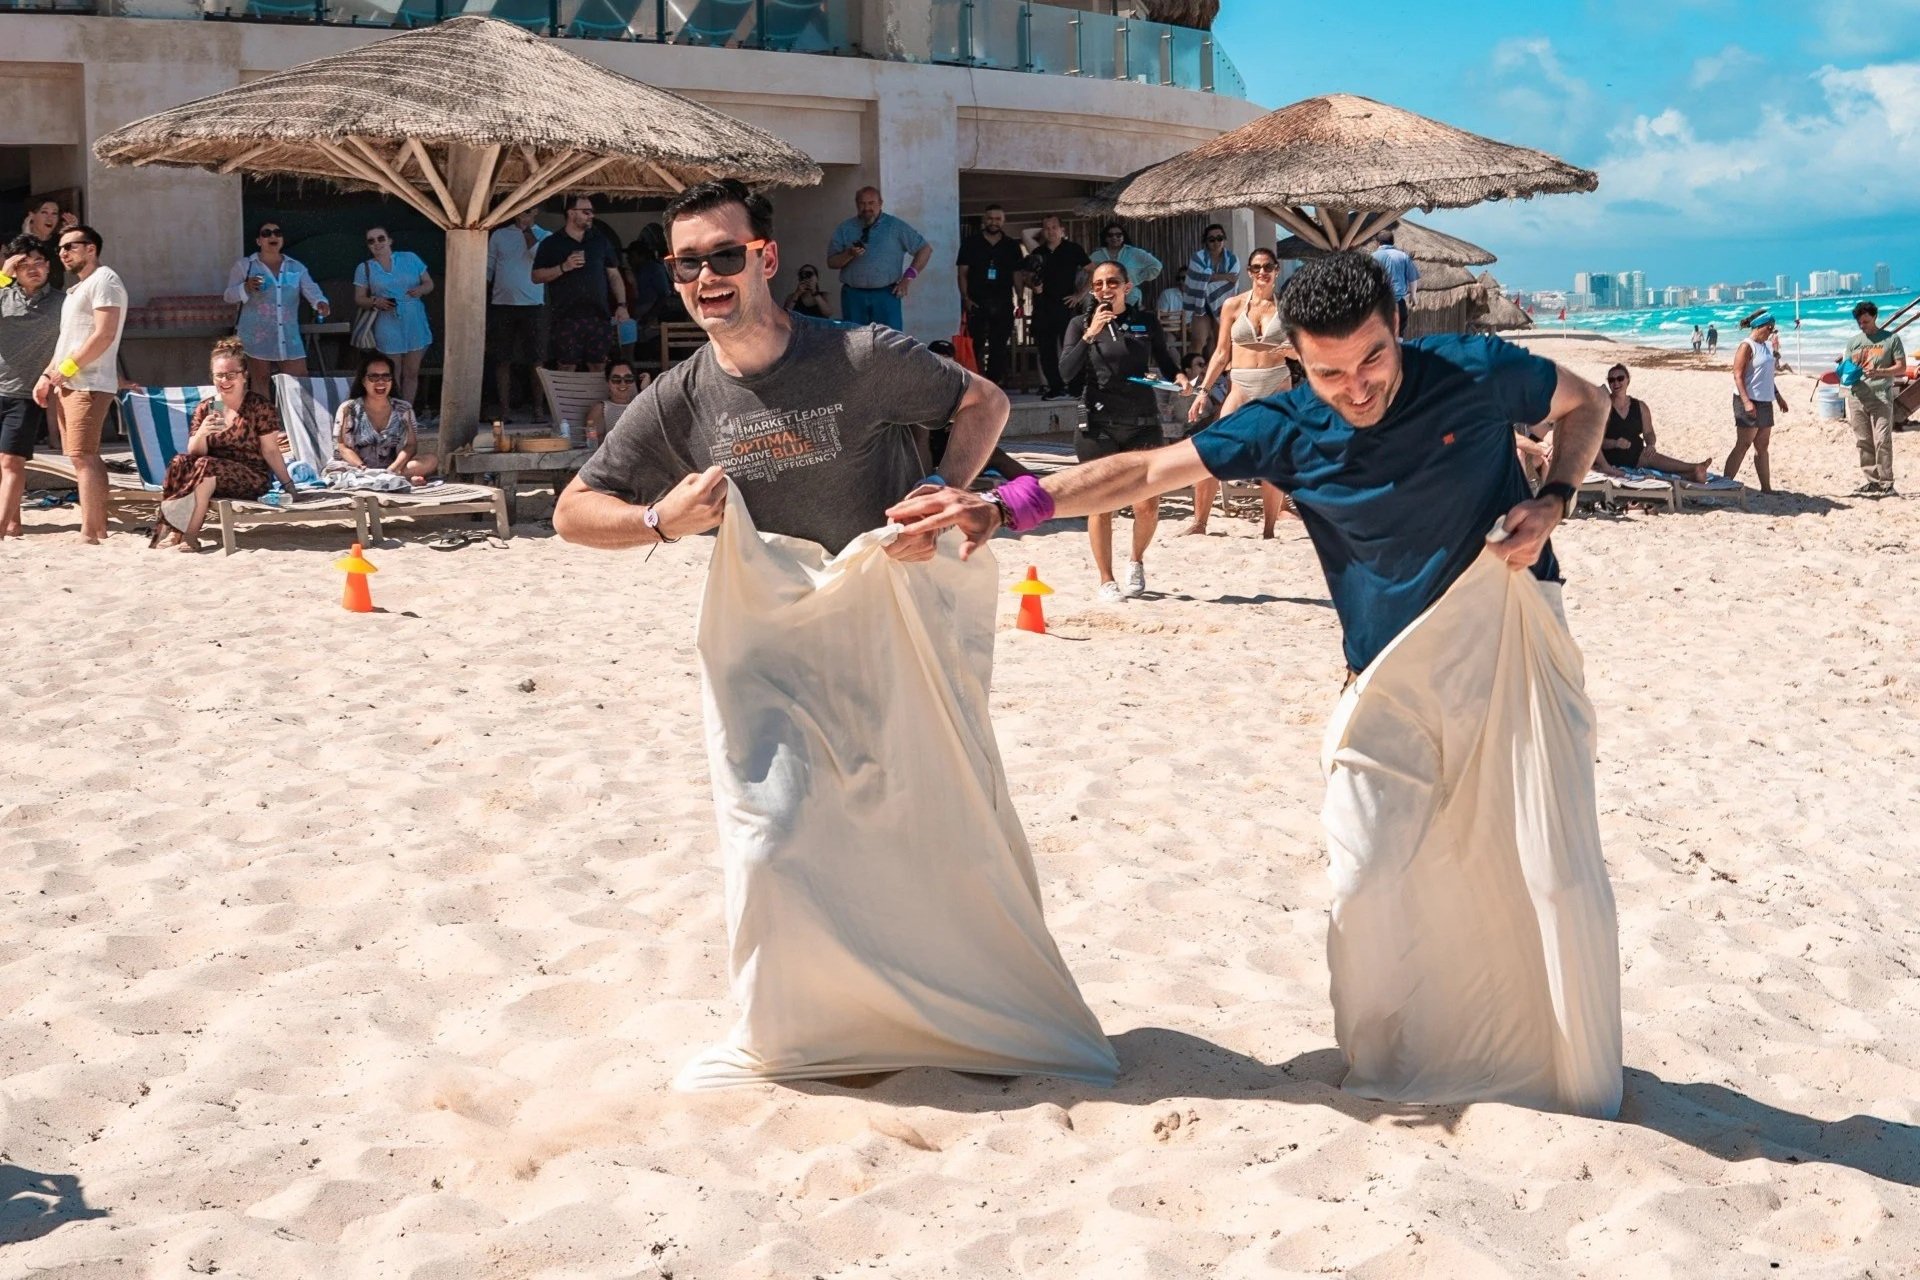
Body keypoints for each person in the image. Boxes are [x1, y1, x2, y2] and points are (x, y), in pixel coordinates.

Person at [889, 251, 1623, 1119]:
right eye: (1329, 371)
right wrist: (1007, 506)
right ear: (1295, 361)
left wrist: (1557, 497)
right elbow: (1144, 472)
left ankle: (1556, 1067)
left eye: (1374, 359)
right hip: (1383, 679)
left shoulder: (1476, 371)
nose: (1357, 387)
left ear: (1399, 328)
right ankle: (1401, 1059)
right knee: (1368, 883)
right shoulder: (1282, 427)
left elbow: (1588, 403)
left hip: (1507, 648)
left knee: (1546, 870)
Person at [555, 179, 1112, 1089]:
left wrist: (944, 484)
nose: (708, 277)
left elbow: (983, 403)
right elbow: (575, 512)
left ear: (764, 259)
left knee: (932, 824)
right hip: (770, 648)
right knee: (774, 841)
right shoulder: (680, 397)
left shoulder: (858, 355)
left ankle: (945, 1016)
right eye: (689, 264)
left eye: (725, 256)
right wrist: (658, 520)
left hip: (893, 623)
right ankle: (808, 1032)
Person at [1058, 259, 1187, 602]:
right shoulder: (1079, 324)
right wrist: (1090, 334)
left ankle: (1136, 560)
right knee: (1101, 504)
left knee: (1147, 504)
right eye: (1097, 284)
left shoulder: (1144, 322)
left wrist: (1179, 376)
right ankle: (1106, 579)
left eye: (1111, 283)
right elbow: (1066, 373)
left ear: (1127, 288)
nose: (1104, 290)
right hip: (1097, 423)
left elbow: (1165, 358)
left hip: (1142, 420)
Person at [149, 337, 300, 552]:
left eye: (231, 374)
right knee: (180, 461)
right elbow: (195, 453)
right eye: (219, 375)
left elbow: (270, 449)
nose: (225, 380)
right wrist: (202, 433)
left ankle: (190, 535)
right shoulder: (209, 407)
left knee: (206, 465)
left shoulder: (259, 407)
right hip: (210, 473)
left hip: (251, 477)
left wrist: (288, 485)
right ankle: (175, 531)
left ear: (244, 375)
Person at [1184, 246, 1295, 537]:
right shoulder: (1233, 305)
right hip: (1241, 384)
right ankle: (1199, 522)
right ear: (1248, 272)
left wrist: (1292, 351)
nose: (1262, 272)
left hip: (1276, 385)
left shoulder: (1289, 306)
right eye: (1257, 267)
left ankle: (1269, 528)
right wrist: (1203, 391)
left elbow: (1307, 350)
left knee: (1273, 457)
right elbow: (1221, 353)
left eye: (1268, 267)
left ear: (1277, 269)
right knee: (1210, 449)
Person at [34, 224, 125, 544]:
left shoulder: (106, 280)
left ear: (91, 249)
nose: (63, 253)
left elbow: (105, 333)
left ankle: (90, 531)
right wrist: (48, 375)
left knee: (83, 456)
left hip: (89, 382)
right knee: (83, 457)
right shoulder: (79, 289)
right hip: (71, 382)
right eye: (60, 248)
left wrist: (67, 369)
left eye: (71, 246)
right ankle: (97, 527)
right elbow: (67, 340)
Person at [0, 237, 63, 537]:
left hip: (26, 392)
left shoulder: (63, 303)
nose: (33, 269)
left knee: (11, 460)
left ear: (49, 266)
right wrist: (3, 274)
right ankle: (13, 523)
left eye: (39, 262)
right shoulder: (3, 295)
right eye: (24, 265)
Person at [225, 220, 331, 395]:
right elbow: (228, 296)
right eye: (266, 233)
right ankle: (266, 421)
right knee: (260, 380)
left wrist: (320, 303)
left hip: (288, 336)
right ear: (259, 241)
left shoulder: (296, 267)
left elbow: (312, 290)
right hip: (256, 335)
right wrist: (246, 287)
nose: (272, 236)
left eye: (277, 233)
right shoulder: (245, 265)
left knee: (299, 381)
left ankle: (296, 420)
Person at [532, 195, 628, 373]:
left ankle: (596, 402)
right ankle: (567, 402)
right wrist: (563, 267)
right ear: (571, 213)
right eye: (586, 212)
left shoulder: (600, 241)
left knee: (599, 365)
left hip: (599, 315)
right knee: (566, 365)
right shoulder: (551, 243)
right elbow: (536, 276)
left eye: (592, 212)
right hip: (565, 316)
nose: (591, 216)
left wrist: (622, 305)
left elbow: (614, 275)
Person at [825, 185, 931, 330]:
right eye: (862, 203)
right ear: (856, 204)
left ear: (880, 203)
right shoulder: (845, 228)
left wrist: (907, 278)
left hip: (886, 295)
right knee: (855, 343)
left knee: (889, 343)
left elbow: (924, 249)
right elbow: (831, 262)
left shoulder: (895, 226)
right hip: (854, 296)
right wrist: (849, 254)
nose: (866, 207)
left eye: (871, 203)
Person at [355, 225, 433, 406]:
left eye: (381, 238)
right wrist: (375, 302)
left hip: (414, 319)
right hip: (386, 320)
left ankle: (407, 412)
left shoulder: (410, 258)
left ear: (389, 240)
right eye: (371, 241)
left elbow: (429, 283)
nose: (377, 243)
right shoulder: (365, 268)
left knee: (412, 371)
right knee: (392, 371)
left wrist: (421, 289)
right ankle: (393, 413)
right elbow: (359, 298)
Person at [334, 352, 438, 484]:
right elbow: (343, 447)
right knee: (341, 473)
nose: (381, 381)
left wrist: (392, 469)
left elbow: (410, 446)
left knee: (431, 460)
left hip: (391, 468)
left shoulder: (403, 409)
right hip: (355, 468)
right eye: (374, 377)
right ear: (363, 381)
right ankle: (389, 480)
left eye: (386, 376)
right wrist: (363, 469)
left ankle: (388, 478)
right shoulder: (349, 409)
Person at [486, 209, 549, 421]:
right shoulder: (499, 235)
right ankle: (504, 411)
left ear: (536, 213)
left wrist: (528, 231)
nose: (524, 215)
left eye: (529, 212)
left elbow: (537, 256)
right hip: (502, 304)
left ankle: (538, 410)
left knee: (537, 359)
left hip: (533, 305)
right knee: (503, 359)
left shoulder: (545, 235)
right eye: (521, 212)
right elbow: (489, 267)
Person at [1596, 364, 1708, 481]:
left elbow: (1649, 432)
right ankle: (1695, 468)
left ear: (1628, 380)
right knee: (1652, 461)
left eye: (1620, 378)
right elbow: (1596, 442)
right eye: (1611, 380)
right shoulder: (1604, 407)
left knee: (1652, 456)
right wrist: (1615, 443)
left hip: (1637, 454)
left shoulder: (1640, 406)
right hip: (1612, 456)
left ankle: (1693, 471)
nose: (1616, 383)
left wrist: (1651, 444)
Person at [955, 204, 1026, 387]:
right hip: (977, 301)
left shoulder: (1011, 246)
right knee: (975, 344)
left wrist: (1020, 297)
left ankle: (994, 385)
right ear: (984, 220)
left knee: (999, 345)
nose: (993, 222)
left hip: (1003, 301)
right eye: (990, 218)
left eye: (998, 219)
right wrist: (965, 298)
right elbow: (962, 273)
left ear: (1003, 221)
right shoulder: (971, 243)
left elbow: (1017, 273)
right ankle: (973, 385)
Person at [1843, 299, 1906, 498]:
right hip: (1857, 396)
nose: (1863, 326)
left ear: (1875, 317)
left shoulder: (1891, 339)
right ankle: (1872, 481)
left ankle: (1887, 482)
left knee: (1883, 440)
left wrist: (1880, 371)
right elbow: (1846, 369)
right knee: (1863, 441)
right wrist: (1848, 371)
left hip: (1881, 396)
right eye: (1860, 323)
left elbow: (1901, 367)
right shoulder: (1854, 342)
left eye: (1866, 322)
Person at [1024, 215, 1090, 401]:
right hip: (1043, 307)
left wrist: (1080, 295)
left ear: (1062, 230)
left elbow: (1093, 270)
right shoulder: (1037, 252)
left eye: (1054, 227)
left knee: (1072, 348)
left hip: (1066, 305)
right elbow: (1026, 276)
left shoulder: (1073, 249)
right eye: (1046, 228)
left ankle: (1077, 388)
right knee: (1046, 350)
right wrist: (1032, 285)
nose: (1050, 231)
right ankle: (1055, 387)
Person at [1725, 312, 1788, 492]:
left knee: (1762, 445)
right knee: (1743, 444)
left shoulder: (1767, 346)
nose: (1771, 332)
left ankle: (1766, 488)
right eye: (1769, 328)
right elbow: (1738, 375)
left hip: (1765, 400)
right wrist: (1746, 402)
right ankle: (1724, 484)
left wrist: (1778, 396)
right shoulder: (1747, 346)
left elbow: (1767, 377)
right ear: (1760, 326)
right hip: (1748, 400)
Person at [1182, 224, 1240, 357]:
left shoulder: (1232, 259)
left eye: (1220, 238)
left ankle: (1215, 375)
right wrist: (1224, 277)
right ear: (1206, 241)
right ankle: (1192, 374)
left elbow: (1233, 282)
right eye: (1212, 239)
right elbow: (1197, 277)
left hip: (1223, 305)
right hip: (1200, 305)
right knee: (1198, 342)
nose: (1216, 242)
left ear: (1224, 239)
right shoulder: (1197, 257)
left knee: (1219, 343)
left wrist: (1208, 279)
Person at [1088, 222, 1160, 309]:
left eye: (1118, 235)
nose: (1114, 237)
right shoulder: (1096, 255)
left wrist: (1136, 279)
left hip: (1130, 298)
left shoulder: (1135, 253)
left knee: (1129, 322)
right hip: (1105, 298)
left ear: (1123, 237)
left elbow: (1156, 265)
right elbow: (1087, 274)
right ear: (1105, 238)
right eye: (1110, 235)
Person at [581, 360, 649, 443]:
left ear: (634, 381)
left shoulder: (643, 404)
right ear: (608, 382)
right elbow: (594, 445)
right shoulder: (600, 410)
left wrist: (646, 391)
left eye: (628, 378)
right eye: (616, 379)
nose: (622, 383)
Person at [1371, 230, 1419, 333]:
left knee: (1380, 334)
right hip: (1399, 303)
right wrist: (1413, 295)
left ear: (1378, 243)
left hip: (1380, 303)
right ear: (1392, 242)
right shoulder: (1403, 256)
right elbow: (1413, 277)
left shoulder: (1373, 257)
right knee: (1399, 334)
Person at [21, 196, 75, 287]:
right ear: (31, 216)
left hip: (54, 298)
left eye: (54, 213)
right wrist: (26, 238)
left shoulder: (60, 242)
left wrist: (73, 233)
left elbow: (75, 265)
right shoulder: (14, 242)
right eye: (44, 212)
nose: (50, 218)